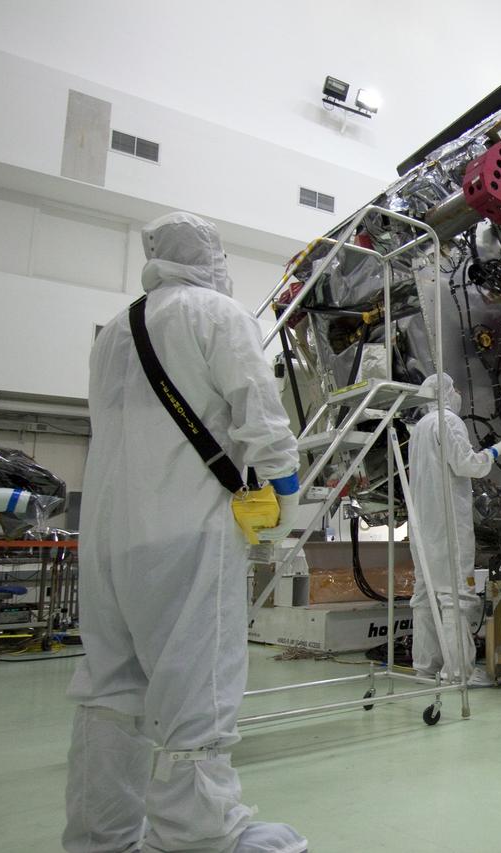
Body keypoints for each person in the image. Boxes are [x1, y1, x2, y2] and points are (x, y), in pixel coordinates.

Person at [65, 212, 308, 853]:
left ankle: (101, 835)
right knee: (196, 686)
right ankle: (199, 836)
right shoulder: (217, 315)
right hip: (185, 532)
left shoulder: (114, 331)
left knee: (110, 688)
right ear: (212, 257)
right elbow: (259, 410)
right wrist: (285, 488)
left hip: (109, 537)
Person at [408, 373, 501, 686]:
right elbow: (469, 465)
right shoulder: (448, 420)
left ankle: (426, 667)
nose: (457, 393)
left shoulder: (419, 429)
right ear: (443, 392)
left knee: (426, 595)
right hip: (447, 523)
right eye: (453, 388)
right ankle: (459, 672)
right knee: (455, 595)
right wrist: (499, 449)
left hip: (422, 525)